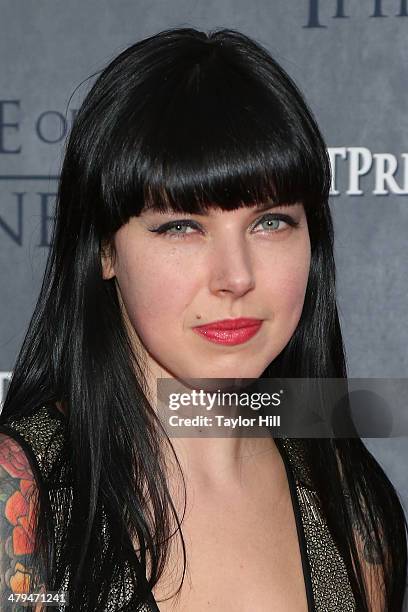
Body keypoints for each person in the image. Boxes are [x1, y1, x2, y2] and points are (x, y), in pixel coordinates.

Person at [0, 26, 406, 612]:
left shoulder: (345, 499)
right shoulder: (21, 501)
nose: (236, 276)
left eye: (271, 222)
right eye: (181, 227)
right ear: (105, 251)